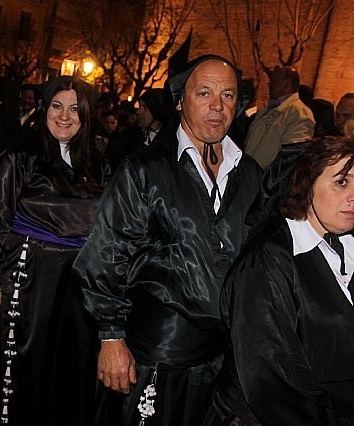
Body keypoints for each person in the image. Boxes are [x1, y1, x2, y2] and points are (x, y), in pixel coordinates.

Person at [73, 55, 262, 426]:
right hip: (156, 353)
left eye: (227, 95)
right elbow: (105, 255)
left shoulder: (251, 173)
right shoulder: (145, 170)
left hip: (224, 361)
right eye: (204, 93)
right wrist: (111, 338)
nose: (217, 106)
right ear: (179, 100)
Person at [0, 76, 109, 426]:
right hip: (30, 277)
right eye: (57, 106)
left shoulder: (98, 163)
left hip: (78, 285)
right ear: (44, 109)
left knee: (72, 370)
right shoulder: (20, 157)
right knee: (23, 369)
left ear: (87, 115)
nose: (65, 116)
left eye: (75, 109)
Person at [212, 137, 354, 425]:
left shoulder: (346, 242)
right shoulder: (268, 262)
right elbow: (270, 377)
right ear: (306, 183)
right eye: (342, 182)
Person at [244, 66, 315, 169]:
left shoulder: (299, 114)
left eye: (274, 79)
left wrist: (267, 180)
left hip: (264, 181)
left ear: (287, 83)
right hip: (249, 174)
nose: (270, 83)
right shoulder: (267, 110)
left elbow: (291, 157)